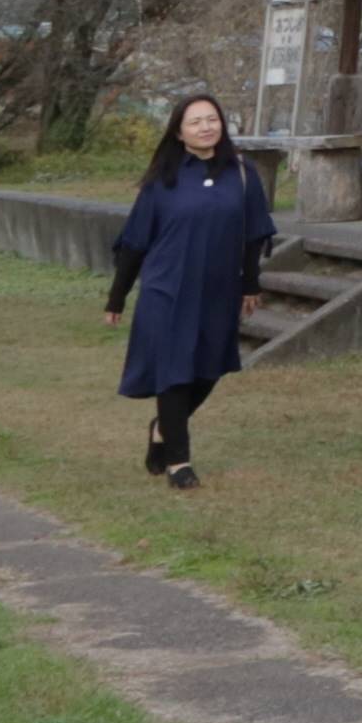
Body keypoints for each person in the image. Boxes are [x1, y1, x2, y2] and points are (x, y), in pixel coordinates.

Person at [105, 90, 272, 489]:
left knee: (210, 367)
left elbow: (254, 234)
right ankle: (180, 462)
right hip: (167, 287)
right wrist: (117, 297)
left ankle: (164, 427)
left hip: (218, 287)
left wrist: (250, 282)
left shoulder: (243, 173)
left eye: (211, 119)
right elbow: (135, 242)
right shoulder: (163, 178)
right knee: (175, 369)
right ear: (179, 132)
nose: (205, 127)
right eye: (195, 121)